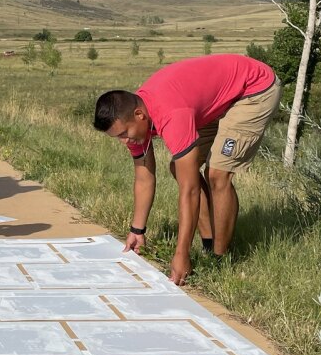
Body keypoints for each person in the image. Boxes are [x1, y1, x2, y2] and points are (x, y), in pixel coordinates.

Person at [92, 54, 280, 285]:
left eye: (123, 135)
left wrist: (181, 254)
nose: (123, 142)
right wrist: (137, 230)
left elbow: (189, 190)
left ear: (140, 115)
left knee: (217, 173)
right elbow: (144, 178)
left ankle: (219, 261)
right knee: (178, 167)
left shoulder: (171, 115)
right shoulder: (135, 119)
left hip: (253, 90)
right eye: (117, 137)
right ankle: (209, 243)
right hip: (214, 99)